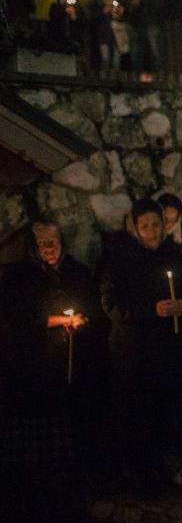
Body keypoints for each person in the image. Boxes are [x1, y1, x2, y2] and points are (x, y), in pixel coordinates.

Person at [0, 220, 108, 520]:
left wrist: (82, 323)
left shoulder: (76, 272)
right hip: (33, 375)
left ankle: (74, 493)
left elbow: (94, 310)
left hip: (74, 370)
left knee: (73, 435)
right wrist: (56, 321)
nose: (48, 246)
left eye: (53, 240)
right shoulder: (18, 277)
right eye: (41, 241)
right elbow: (16, 320)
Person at [99, 199, 182, 491]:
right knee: (135, 412)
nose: (152, 231)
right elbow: (112, 304)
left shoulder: (172, 253)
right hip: (134, 352)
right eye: (145, 226)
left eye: (156, 224)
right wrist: (151, 310)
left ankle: (159, 468)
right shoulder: (118, 258)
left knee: (162, 410)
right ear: (134, 227)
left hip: (167, 350)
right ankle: (135, 472)